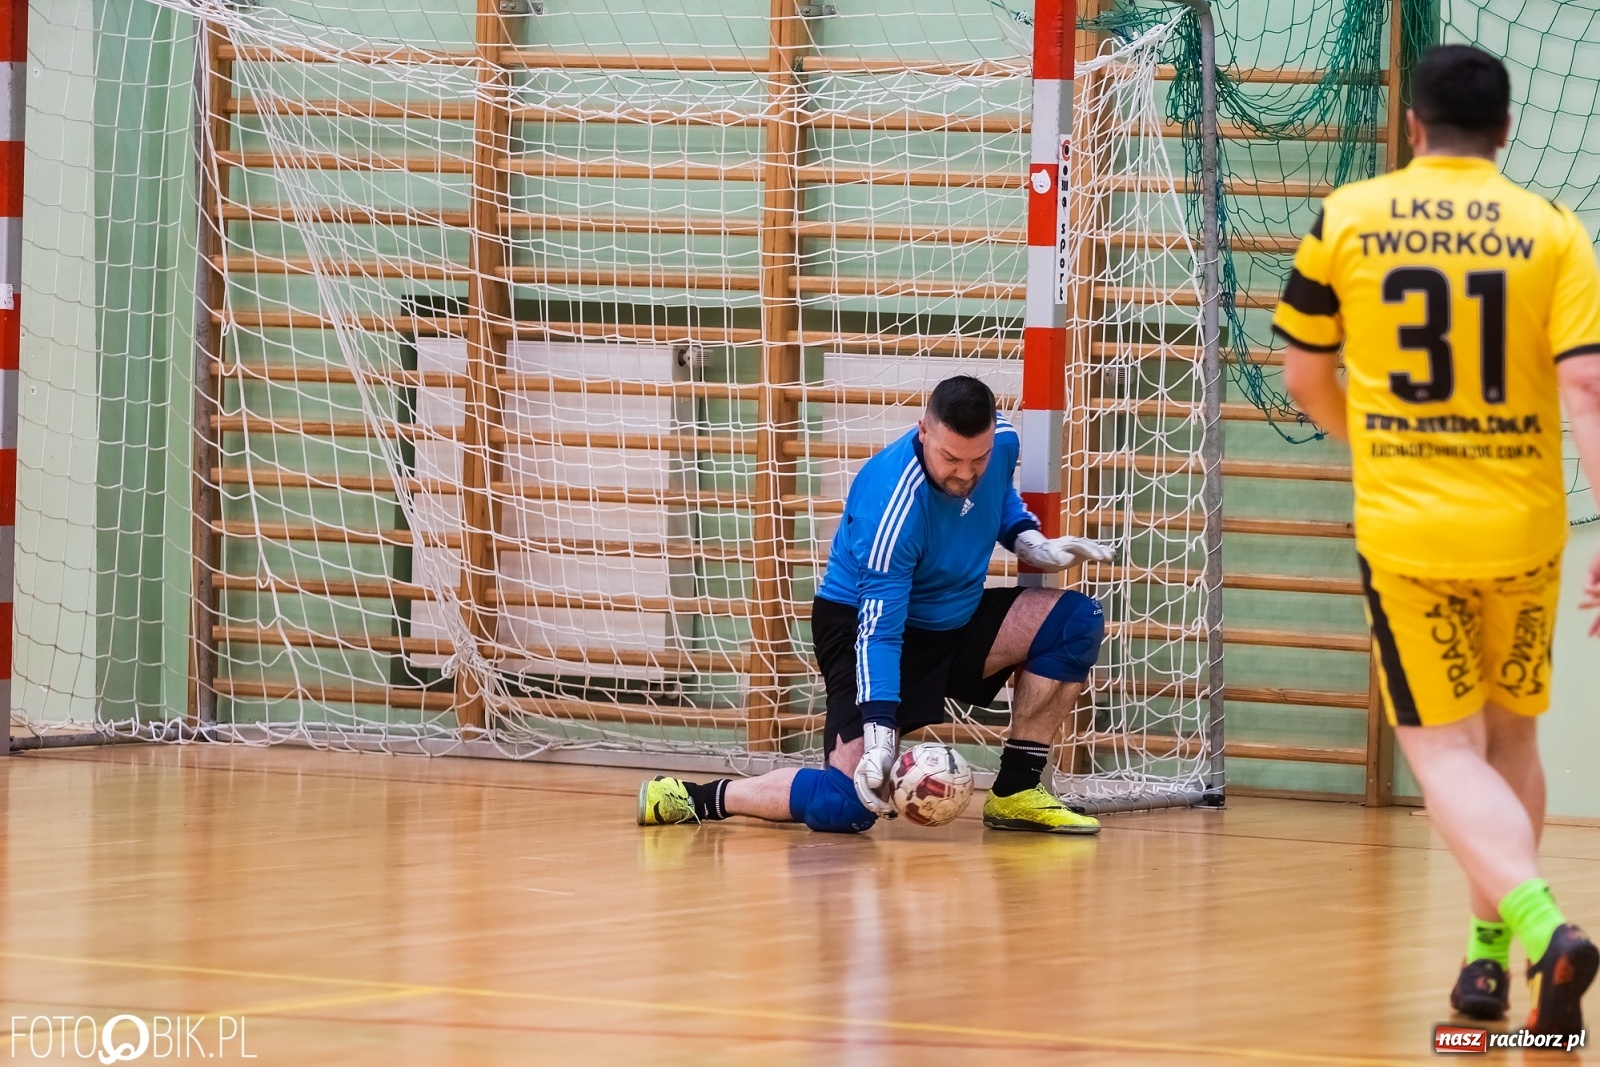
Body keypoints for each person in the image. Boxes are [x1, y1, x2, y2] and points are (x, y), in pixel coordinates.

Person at [1278, 44, 1600, 1036]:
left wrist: (1370, 439)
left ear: (1413, 125)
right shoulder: (1552, 230)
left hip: (1410, 530)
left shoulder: (1349, 217)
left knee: (1443, 753)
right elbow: (1586, 387)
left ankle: (1541, 926)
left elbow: (1300, 372)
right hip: (1524, 525)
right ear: (1503, 131)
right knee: (1510, 738)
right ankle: (1483, 962)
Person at [637, 375, 1113, 835]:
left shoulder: (1002, 441)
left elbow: (995, 496)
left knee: (1073, 619)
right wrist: (882, 735)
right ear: (923, 430)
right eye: (951, 459)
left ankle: (1015, 792)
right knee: (844, 806)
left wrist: (1027, 539)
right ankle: (695, 797)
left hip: (952, 618)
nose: (965, 474)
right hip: (864, 627)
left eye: (978, 459)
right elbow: (879, 632)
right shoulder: (890, 506)